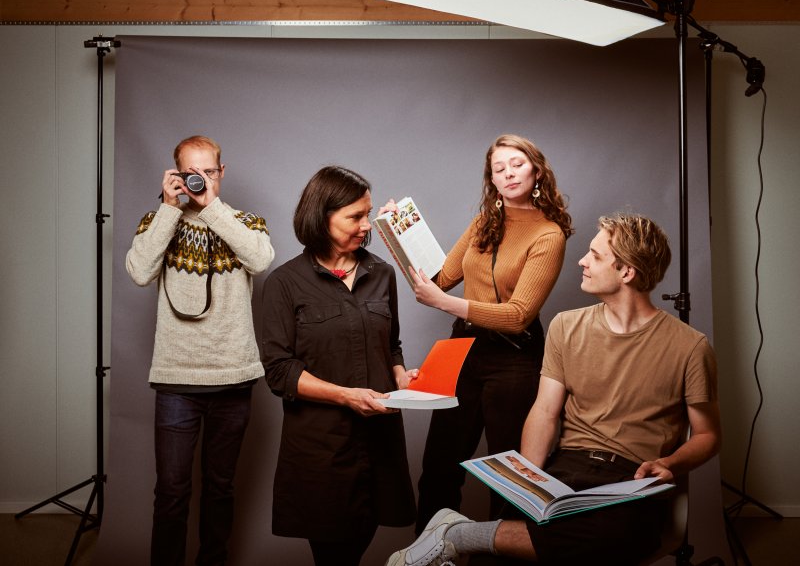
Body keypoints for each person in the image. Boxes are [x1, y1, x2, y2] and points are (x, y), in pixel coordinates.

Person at [386, 213, 722, 566]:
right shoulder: (566, 326)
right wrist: (527, 480)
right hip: (566, 467)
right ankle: (472, 536)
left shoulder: (691, 346)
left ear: (626, 272)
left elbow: (707, 436)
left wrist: (670, 463)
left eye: (594, 255)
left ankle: (461, 535)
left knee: (621, 535)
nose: (582, 260)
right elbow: (544, 412)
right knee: (522, 535)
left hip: (631, 476)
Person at [384, 134, 573, 532]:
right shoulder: (483, 222)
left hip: (514, 357)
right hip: (464, 349)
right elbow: (439, 278)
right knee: (438, 468)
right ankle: (429, 556)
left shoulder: (548, 234)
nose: (508, 173)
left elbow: (519, 315)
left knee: (507, 475)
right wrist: (399, 229)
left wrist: (443, 302)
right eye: (498, 168)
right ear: (492, 178)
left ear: (537, 170)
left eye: (516, 164)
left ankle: (498, 559)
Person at [125, 135, 275, 566]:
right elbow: (138, 272)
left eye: (209, 172)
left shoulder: (246, 221)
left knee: (220, 488)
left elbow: (260, 259)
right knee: (171, 492)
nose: (201, 179)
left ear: (221, 173)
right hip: (176, 378)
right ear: (175, 175)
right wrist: (170, 210)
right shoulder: (159, 220)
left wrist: (211, 207)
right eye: (193, 172)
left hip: (233, 375)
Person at [261, 166, 417, 566]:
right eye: (355, 216)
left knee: (362, 539)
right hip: (321, 449)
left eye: (368, 214)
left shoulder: (381, 274)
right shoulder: (284, 283)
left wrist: (403, 376)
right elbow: (279, 371)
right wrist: (346, 397)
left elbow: (392, 345)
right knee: (333, 554)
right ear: (321, 217)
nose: (367, 225)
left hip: (379, 440)